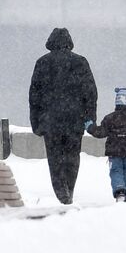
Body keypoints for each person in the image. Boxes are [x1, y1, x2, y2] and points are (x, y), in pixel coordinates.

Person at [28, 27, 98, 204]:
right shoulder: (80, 62)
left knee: (55, 159)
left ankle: (62, 193)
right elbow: (90, 93)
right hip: (74, 121)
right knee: (72, 157)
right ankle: (69, 190)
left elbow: (34, 96)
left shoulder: (42, 63)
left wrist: (36, 122)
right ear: (70, 43)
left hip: (50, 122)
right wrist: (89, 119)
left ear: (50, 43)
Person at [87, 87, 126, 202]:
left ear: (117, 100)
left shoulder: (110, 118)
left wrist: (90, 127)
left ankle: (120, 191)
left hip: (114, 152)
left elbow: (101, 132)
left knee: (116, 171)